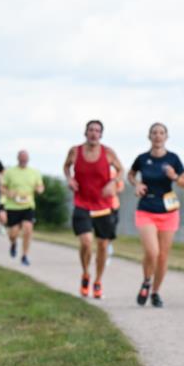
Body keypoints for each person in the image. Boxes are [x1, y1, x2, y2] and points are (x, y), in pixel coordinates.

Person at [128, 123, 184, 307]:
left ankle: (155, 292)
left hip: (168, 211)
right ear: (149, 136)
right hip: (146, 208)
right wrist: (136, 184)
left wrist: (175, 177)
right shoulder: (142, 158)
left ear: (166, 137)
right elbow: (130, 175)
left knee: (162, 256)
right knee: (152, 252)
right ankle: (146, 280)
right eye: (154, 133)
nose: (158, 136)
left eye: (161, 133)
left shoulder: (173, 158)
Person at [63, 119, 125, 299]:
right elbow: (67, 166)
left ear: (101, 134)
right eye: (91, 130)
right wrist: (69, 179)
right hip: (82, 202)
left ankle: (98, 280)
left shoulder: (108, 153)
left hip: (103, 205)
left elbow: (120, 170)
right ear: (85, 132)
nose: (93, 133)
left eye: (97, 131)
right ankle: (85, 274)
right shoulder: (75, 151)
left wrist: (113, 182)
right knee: (86, 242)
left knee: (103, 245)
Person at [2, 150, 45, 266]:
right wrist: (8, 193)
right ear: (18, 158)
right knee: (13, 234)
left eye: (25, 158)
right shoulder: (10, 172)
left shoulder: (34, 172)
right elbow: (2, 187)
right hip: (13, 207)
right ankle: (13, 243)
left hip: (28, 206)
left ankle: (24, 255)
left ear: (28, 159)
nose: (24, 160)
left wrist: (39, 189)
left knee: (28, 229)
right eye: (22, 158)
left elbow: (40, 186)